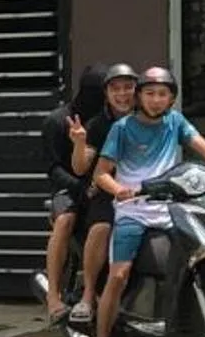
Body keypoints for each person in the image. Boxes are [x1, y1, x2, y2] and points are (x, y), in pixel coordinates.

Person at [86, 65, 205, 337]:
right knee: (118, 275)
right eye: (150, 93)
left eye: (163, 94)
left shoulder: (175, 122)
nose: (156, 100)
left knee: (197, 264)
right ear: (139, 97)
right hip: (135, 209)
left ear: (172, 99)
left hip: (173, 207)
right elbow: (101, 173)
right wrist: (120, 191)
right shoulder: (122, 128)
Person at [41, 64, 138, 321]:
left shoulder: (116, 118)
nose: (120, 95)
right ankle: (53, 295)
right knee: (65, 221)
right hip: (70, 188)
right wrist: (80, 187)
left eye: (126, 88)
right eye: (110, 89)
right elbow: (55, 168)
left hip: (103, 187)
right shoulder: (60, 120)